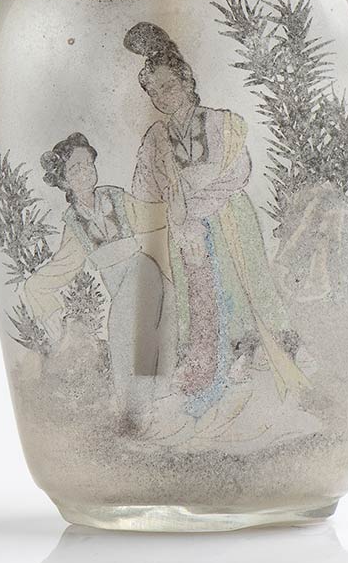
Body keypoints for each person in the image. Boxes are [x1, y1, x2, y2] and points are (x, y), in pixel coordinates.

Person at [124, 22, 310, 420]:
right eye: (154, 92)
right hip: (185, 229)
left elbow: (238, 170)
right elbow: (143, 190)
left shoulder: (220, 122)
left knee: (244, 282)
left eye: (169, 86)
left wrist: (194, 197)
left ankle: (256, 349)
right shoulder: (156, 138)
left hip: (228, 217)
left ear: (186, 81)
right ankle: (207, 363)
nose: (163, 97)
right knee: (199, 295)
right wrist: (172, 201)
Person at [23, 132, 171, 415]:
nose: (85, 172)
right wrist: (35, 287)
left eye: (88, 164)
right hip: (123, 288)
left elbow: (151, 215)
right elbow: (62, 268)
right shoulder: (74, 224)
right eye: (75, 168)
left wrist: (179, 205)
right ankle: (141, 406)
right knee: (129, 333)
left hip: (144, 272)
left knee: (121, 326)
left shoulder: (114, 198)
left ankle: (141, 404)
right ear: (63, 180)